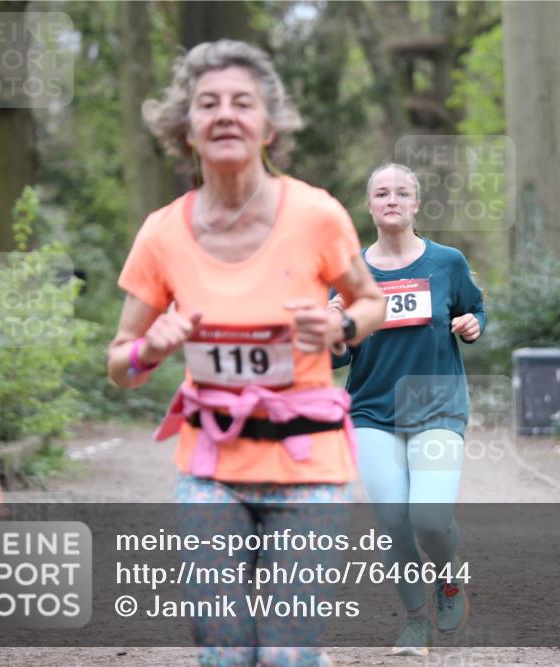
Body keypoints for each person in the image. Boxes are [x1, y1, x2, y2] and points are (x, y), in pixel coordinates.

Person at [107, 40, 386, 667]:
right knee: (225, 651)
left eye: (242, 102)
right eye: (208, 104)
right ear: (186, 128)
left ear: (269, 125)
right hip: (210, 469)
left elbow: (372, 304)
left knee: (287, 653)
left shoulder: (317, 214)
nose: (225, 114)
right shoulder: (161, 233)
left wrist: (340, 329)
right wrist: (149, 348)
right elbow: (120, 365)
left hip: (308, 466)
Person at [330, 163, 486, 656]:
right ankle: (415, 621)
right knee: (393, 520)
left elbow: (475, 309)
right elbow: (336, 356)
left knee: (430, 519)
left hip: (437, 405)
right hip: (372, 410)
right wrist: (334, 327)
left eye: (401, 192)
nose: (391, 199)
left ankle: (447, 572)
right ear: (370, 205)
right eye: (381, 192)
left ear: (416, 204)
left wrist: (471, 324)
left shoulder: (447, 262)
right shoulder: (350, 273)